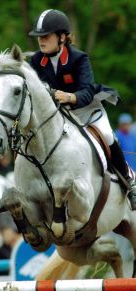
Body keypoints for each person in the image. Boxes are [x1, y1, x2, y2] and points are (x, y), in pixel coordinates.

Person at [28, 9, 136, 210]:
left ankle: (130, 181)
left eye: (46, 36)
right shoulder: (35, 61)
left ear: (62, 37)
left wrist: (70, 96)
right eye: (38, 37)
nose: (41, 41)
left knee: (107, 134)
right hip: (57, 115)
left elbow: (87, 90)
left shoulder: (79, 58)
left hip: (86, 109)